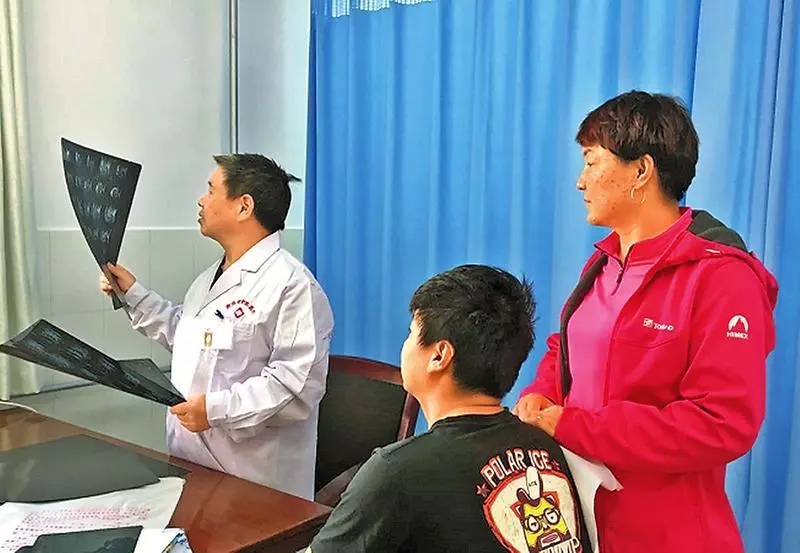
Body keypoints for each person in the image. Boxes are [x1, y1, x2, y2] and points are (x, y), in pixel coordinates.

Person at [513, 91, 778, 553]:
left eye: (591, 162)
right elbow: (568, 345)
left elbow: (722, 423)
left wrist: (577, 428)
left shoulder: (722, 277)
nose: (580, 182)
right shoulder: (604, 262)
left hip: (669, 535)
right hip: (585, 522)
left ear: (641, 171)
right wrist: (542, 393)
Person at [309, 265, 592, 553]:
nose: (405, 345)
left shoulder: (396, 472)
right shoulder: (546, 448)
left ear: (439, 355)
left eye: (411, 333)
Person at [100, 154, 333, 499]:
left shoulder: (293, 286)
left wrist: (213, 410)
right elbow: (189, 336)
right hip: (192, 464)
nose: (201, 200)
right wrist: (133, 295)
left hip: (256, 483)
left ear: (244, 206)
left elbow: (294, 389)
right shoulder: (209, 278)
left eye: (211, 190)